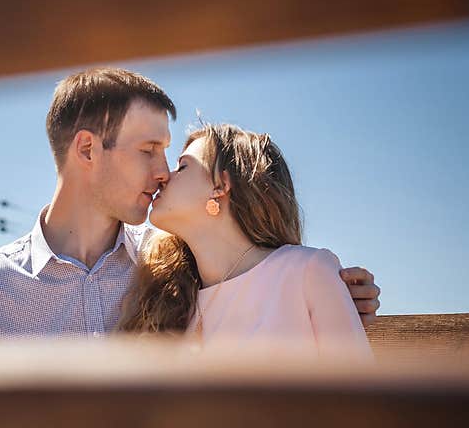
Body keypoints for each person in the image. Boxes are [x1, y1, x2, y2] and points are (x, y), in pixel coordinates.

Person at [0, 67, 380, 359]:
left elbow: (261, 286)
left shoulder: (173, 270)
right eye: (149, 150)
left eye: (171, 156)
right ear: (88, 149)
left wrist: (336, 294)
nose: (161, 173)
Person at [119, 122, 373, 360]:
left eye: (183, 166)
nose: (164, 177)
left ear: (221, 185)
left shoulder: (307, 271)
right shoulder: (169, 298)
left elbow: (363, 398)